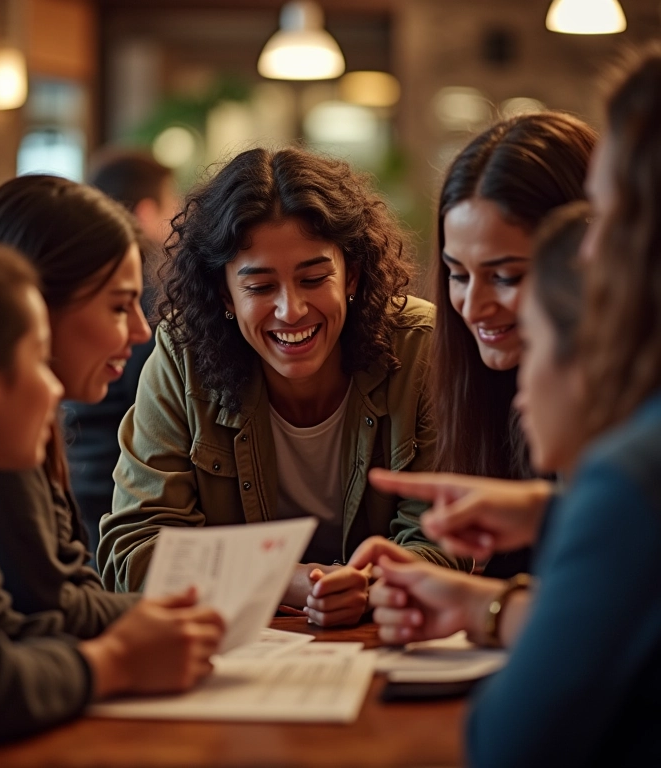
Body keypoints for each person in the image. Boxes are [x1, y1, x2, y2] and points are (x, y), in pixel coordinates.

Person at [352, 48, 661, 766]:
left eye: (606, 217)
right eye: (458, 275)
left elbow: (511, 739)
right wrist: (537, 527)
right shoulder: (481, 384)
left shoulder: (628, 464)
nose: (473, 306)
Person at [99, 145, 468, 628]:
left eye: (314, 278)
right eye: (259, 287)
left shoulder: (421, 348)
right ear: (223, 293)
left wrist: (369, 586)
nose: (290, 310)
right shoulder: (183, 354)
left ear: (351, 275)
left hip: (387, 639)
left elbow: (446, 542)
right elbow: (135, 553)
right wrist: (301, 581)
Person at [0, 234, 223, 766]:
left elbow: (6, 634)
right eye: (41, 363)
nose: (54, 390)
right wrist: (113, 661)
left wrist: (146, 631)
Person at [0, 174, 152, 637]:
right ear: (35, 306)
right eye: (120, 307)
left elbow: (68, 591)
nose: (142, 331)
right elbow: (47, 606)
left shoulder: (33, 426)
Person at [431, 111, 596, 577]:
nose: (474, 306)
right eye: (458, 275)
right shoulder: (490, 389)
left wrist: (482, 611)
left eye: (506, 276)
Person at [66, 149, 178, 558]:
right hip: (111, 495)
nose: (138, 330)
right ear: (147, 213)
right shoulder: (151, 289)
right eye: (173, 208)